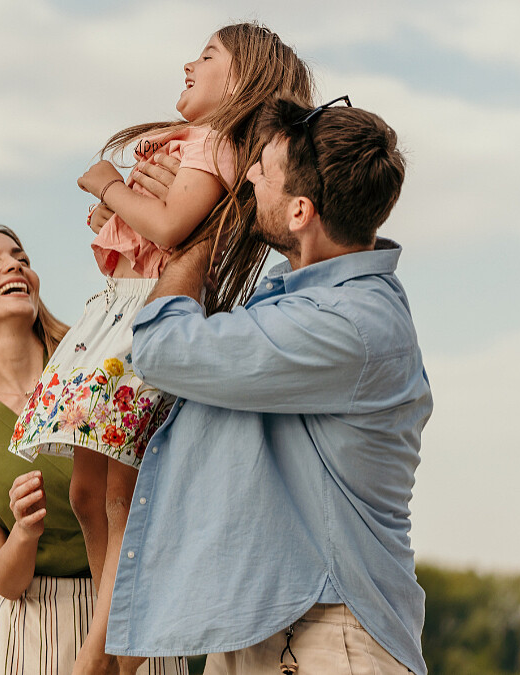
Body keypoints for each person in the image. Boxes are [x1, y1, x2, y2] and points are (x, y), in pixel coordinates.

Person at [7, 23, 312, 674]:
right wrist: (120, 214)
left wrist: (108, 187)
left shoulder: (214, 143)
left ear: (242, 80)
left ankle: (101, 657)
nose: (188, 63)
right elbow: (156, 234)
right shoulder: (189, 146)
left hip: (144, 321)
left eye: (207, 56)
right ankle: (111, 635)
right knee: (89, 495)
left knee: (121, 499)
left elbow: (174, 228)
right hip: (115, 315)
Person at [105, 97, 433, 675]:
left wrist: (200, 234)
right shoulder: (301, 301)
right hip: (268, 625)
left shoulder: (345, 324)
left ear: (301, 210)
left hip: (329, 635)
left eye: (264, 170)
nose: (247, 175)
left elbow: (163, 348)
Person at [0, 225, 188, 674]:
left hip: (131, 614)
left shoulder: (101, 363)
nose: (13, 264)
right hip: (31, 635)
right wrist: (23, 531)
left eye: (20, 256)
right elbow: (3, 579)